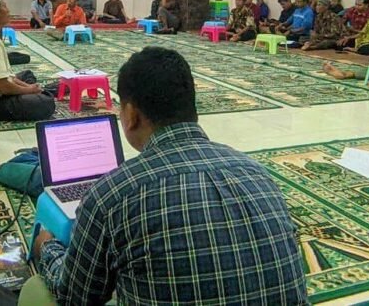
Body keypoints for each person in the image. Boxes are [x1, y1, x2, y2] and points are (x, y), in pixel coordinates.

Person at [23, 47, 308, 305]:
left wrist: (46, 246)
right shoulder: (257, 173)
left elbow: (75, 297)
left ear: (131, 114)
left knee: (36, 292)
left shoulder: (113, 194)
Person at [0, 0, 55, 123]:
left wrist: (28, 88)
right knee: (46, 103)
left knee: (27, 74)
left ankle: (38, 91)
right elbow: (2, 85)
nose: (8, 10)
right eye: (5, 6)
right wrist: (28, 90)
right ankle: (41, 92)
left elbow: (9, 77)